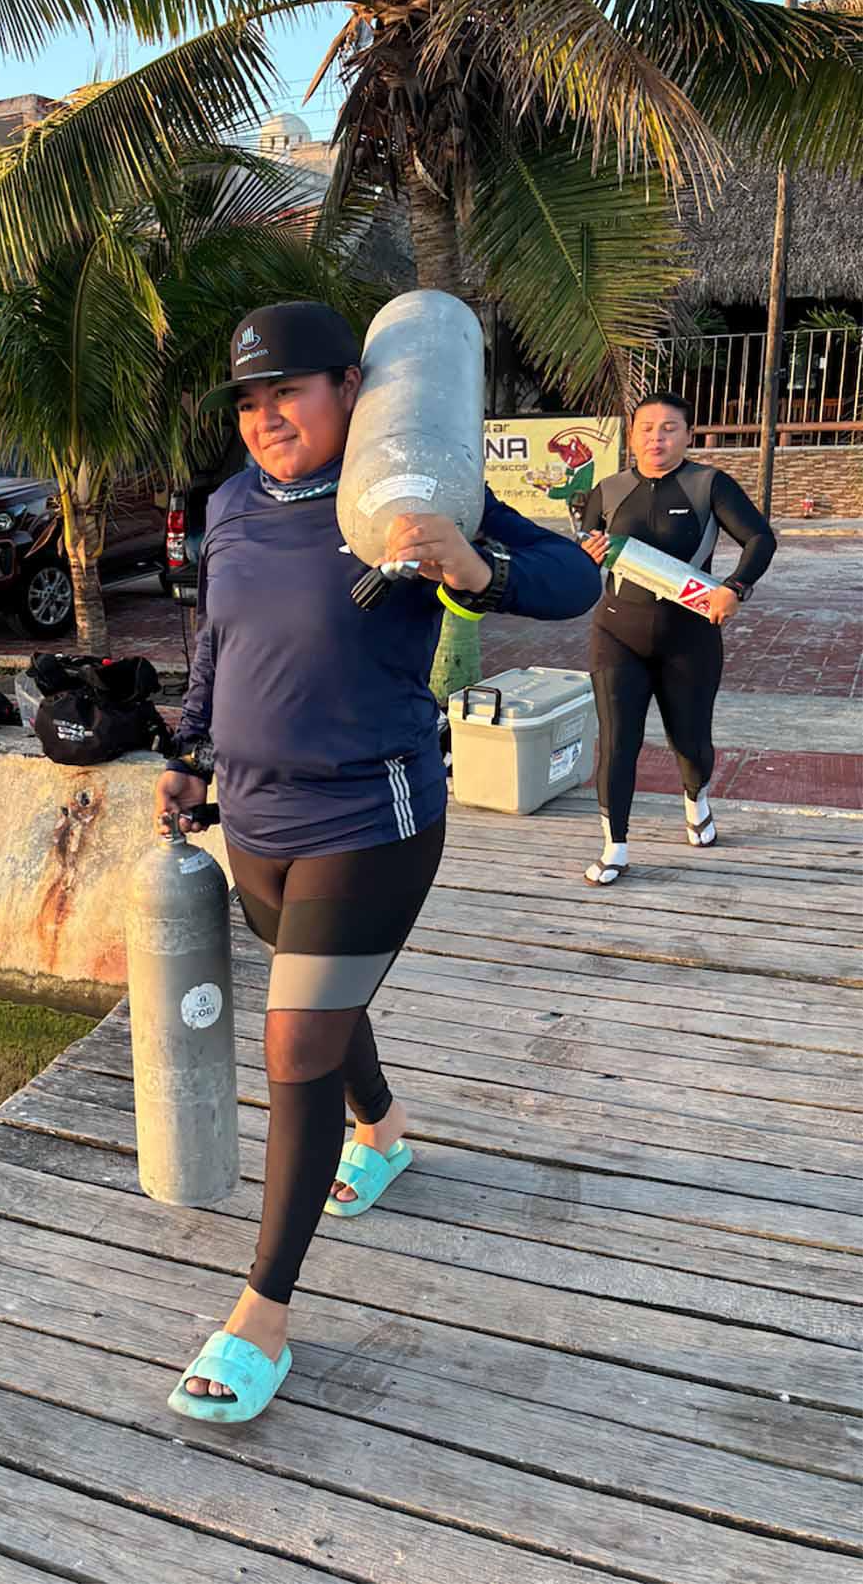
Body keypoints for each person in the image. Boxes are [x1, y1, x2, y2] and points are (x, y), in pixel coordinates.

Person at [154, 300, 601, 1423]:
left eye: (286, 394)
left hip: (373, 812)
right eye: (249, 403)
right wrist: (188, 753)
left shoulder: (404, 495)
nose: (265, 419)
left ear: (349, 390)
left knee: (298, 1032)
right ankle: (384, 1132)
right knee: (324, 1000)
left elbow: (572, 580)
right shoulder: (230, 506)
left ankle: (261, 1311)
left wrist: (482, 564)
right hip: (253, 814)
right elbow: (216, 641)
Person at [577, 392, 776, 885]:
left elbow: (760, 539)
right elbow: (585, 550)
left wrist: (735, 588)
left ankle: (696, 798)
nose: (656, 437)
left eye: (669, 428)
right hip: (616, 631)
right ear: (633, 434)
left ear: (688, 435)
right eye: (646, 427)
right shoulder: (608, 489)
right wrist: (588, 551)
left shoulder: (709, 485)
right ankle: (615, 846)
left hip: (689, 636)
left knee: (689, 743)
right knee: (618, 740)